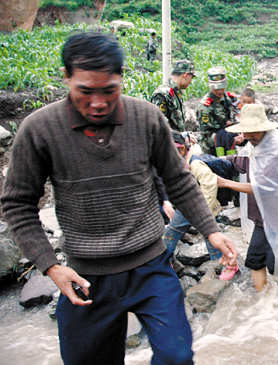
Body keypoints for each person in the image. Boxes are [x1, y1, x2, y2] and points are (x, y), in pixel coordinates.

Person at [0, 32, 237, 365]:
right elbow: (18, 205)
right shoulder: (39, 130)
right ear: (66, 77)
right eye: (85, 91)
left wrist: (211, 230)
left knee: (176, 356)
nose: (98, 102)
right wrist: (50, 266)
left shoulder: (146, 118)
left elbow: (178, 179)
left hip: (150, 267)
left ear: (121, 78)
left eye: (109, 90)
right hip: (86, 277)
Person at [217, 104, 278, 291]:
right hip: (265, 216)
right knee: (257, 259)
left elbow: (262, 188)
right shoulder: (260, 144)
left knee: (274, 264)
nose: (250, 137)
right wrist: (219, 161)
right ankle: (266, 301)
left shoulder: (273, 150)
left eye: (254, 132)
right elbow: (246, 161)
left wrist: (225, 183)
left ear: (264, 129)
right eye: (247, 132)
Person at [163, 131, 240, 280]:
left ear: (183, 149)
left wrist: (205, 212)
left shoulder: (195, 163)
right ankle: (221, 266)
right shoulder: (179, 162)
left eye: (175, 150)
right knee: (206, 235)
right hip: (190, 204)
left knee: (175, 232)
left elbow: (210, 184)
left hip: (196, 206)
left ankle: (221, 266)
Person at [197, 66, 243, 156]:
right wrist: (226, 137)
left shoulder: (230, 99)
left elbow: (238, 117)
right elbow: (205, 134)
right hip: (212, 151)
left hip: (231, 147)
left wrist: (241, 135)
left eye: (221, 88)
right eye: (216, 89)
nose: (219, 91)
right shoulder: (205, 106)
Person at [151, 59, 195, 131]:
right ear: (186, 75)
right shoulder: (162, 94)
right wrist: (181, 137)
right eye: (191, 77)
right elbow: (160, 127)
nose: (190, 81)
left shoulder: (176, 93)